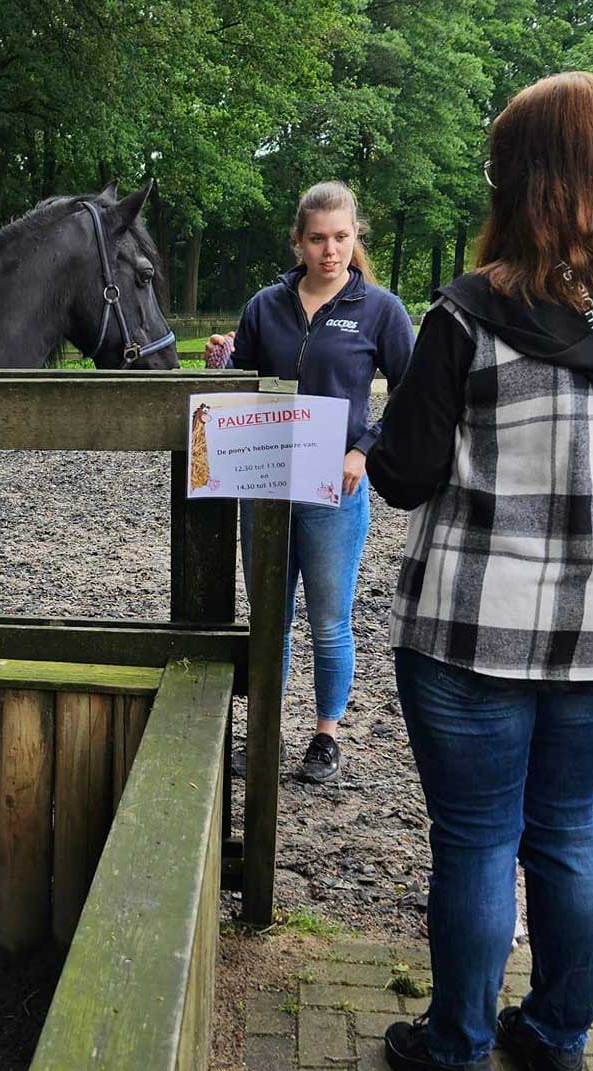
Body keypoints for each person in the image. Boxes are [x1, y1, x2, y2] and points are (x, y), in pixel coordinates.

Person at [366, 71, 593, 1071]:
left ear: (517, 182)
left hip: (473, 628)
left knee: (476, 838)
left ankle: (458, 1051)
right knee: (566, 828)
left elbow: (404, 476)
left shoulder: (466, 316)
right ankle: (558, 1041)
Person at [208, 181, 414, 784]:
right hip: (266, 488)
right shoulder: (264, 306)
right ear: (298, 241)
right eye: (318, 238)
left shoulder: (381, 310)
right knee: (269, 618)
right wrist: (223, 358)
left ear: (356, 237)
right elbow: (240, 383)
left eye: (342, 237)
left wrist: (364, 449)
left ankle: (325, 737)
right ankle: (264, 732)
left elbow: (412, 391)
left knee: (330, 620)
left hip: (335, 491)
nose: (331, 251)